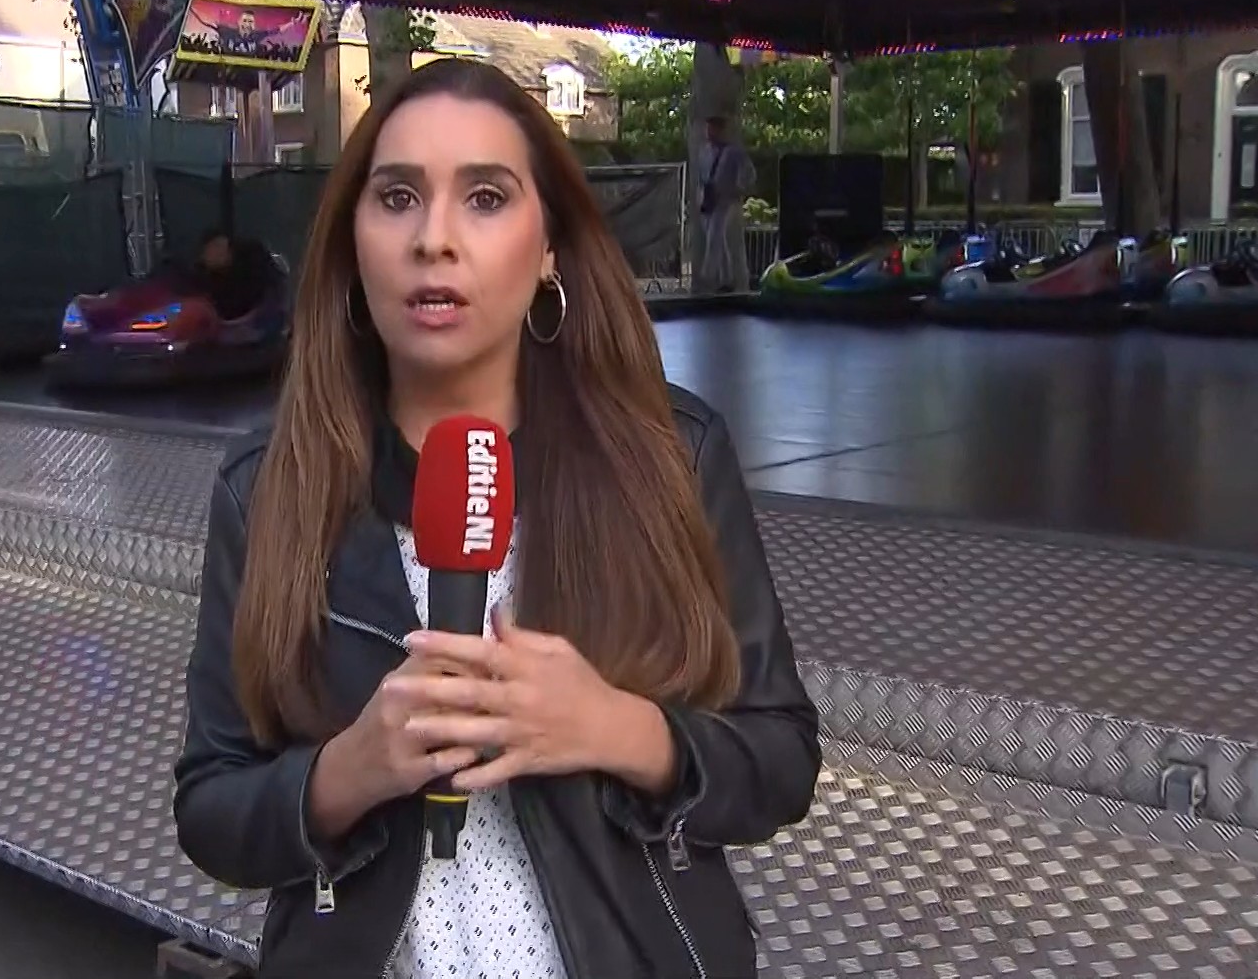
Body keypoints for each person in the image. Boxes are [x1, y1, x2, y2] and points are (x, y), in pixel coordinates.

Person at [172, 58, 820, 979]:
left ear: (550, 245)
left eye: (485, 198)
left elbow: (781, 760)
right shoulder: (269, 487)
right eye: (397, 198)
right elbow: (212, 809)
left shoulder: (672, 456)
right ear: (352, 242)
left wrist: (618, 730)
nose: (433, 239)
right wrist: (348, 771)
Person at [694, 114, 755, 294]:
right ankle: (726, 279)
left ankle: (708, 277)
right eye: (708, 128)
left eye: (714, 128)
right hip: (708, 198)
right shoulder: (704, 151)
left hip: (726, 200)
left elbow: (749, 173)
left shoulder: (733, 152)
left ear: (722, 130)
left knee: (715, 237)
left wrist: (738, 188)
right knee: (718, 240)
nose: (710, 132)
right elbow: (701, 176)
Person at [189, 231, 280, 320]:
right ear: (202, 257)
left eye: (221, 246)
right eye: (213, 248)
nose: (220, 252)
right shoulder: (199, 288)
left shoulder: (255, 271)